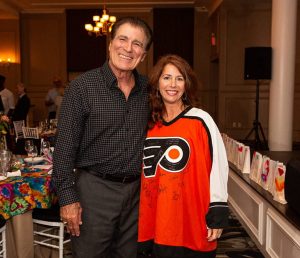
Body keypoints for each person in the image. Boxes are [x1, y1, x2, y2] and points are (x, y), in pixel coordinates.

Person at [52, 16, 153, 258]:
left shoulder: (150, 90)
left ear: (144, 54)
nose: (128, 48)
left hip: (138, 193)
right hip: (94, 192)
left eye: (137, 44)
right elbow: (64, 149)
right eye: (123, 39)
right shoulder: (82, 88)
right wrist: (67, 200)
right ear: (110, 44)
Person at [138, 54, 229, 258]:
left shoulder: (200, 120)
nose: (173, 84)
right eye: (167, 77)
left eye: (180, 78)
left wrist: (218, 210)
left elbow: (218, 167)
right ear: (157, 83)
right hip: (154, 220)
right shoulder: (148, 123)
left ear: (187, 85)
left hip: (191, 219)